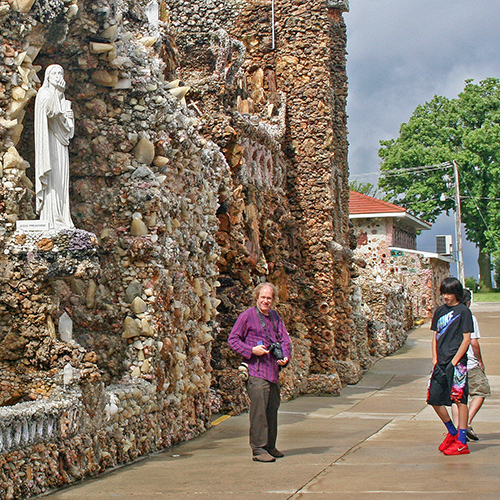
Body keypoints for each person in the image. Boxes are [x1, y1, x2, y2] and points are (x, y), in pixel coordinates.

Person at [228, 282, 291, 462]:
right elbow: (233, 340)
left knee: (272, 409)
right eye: (262, 297)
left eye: (268, 298)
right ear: (256, 297)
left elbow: (284, 340)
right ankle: (258, 449)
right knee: (258, 412)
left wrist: (284, 357)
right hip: (256, 371)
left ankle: (270, 446)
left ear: (273, 300)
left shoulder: (275, 316)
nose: (265, 301)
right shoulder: (247, 316)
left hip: (272, 371)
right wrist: (250, 350)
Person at [427, 277, 472, 455]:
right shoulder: (439, 311)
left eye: (449, 293)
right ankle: (452, 431)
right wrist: (435, 358)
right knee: (434, 400)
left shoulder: (463, 312)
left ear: (456, 293)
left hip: (457, 364)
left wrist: (455, 361)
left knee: (459, 400)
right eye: (444, 293)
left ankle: (462, 440)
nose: (446, 296)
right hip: (440, 362)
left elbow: (466, 339)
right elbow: (435, 336)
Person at [35, 64, 75, 230]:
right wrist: (58, 93)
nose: (58, 76)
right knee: (52, 178)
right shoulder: (43, 94)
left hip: (61, 145)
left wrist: (69, 118)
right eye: (55, 73)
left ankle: (63, 217)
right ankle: (51, 218)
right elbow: (51, 113)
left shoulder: (64, 101)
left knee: (61, 180)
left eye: (61, 72)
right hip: (48, 143)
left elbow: (68, 133)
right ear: (48, 77)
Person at [451, 289, 491, 440]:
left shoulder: (450, 316)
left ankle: (457, 429)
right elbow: (473, 342)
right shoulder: (469, 316)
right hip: (469, 363)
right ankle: (465, 424)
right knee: (481, 391)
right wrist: (479, 360)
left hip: (453, 362)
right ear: (468, 302)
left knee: (456, 397)